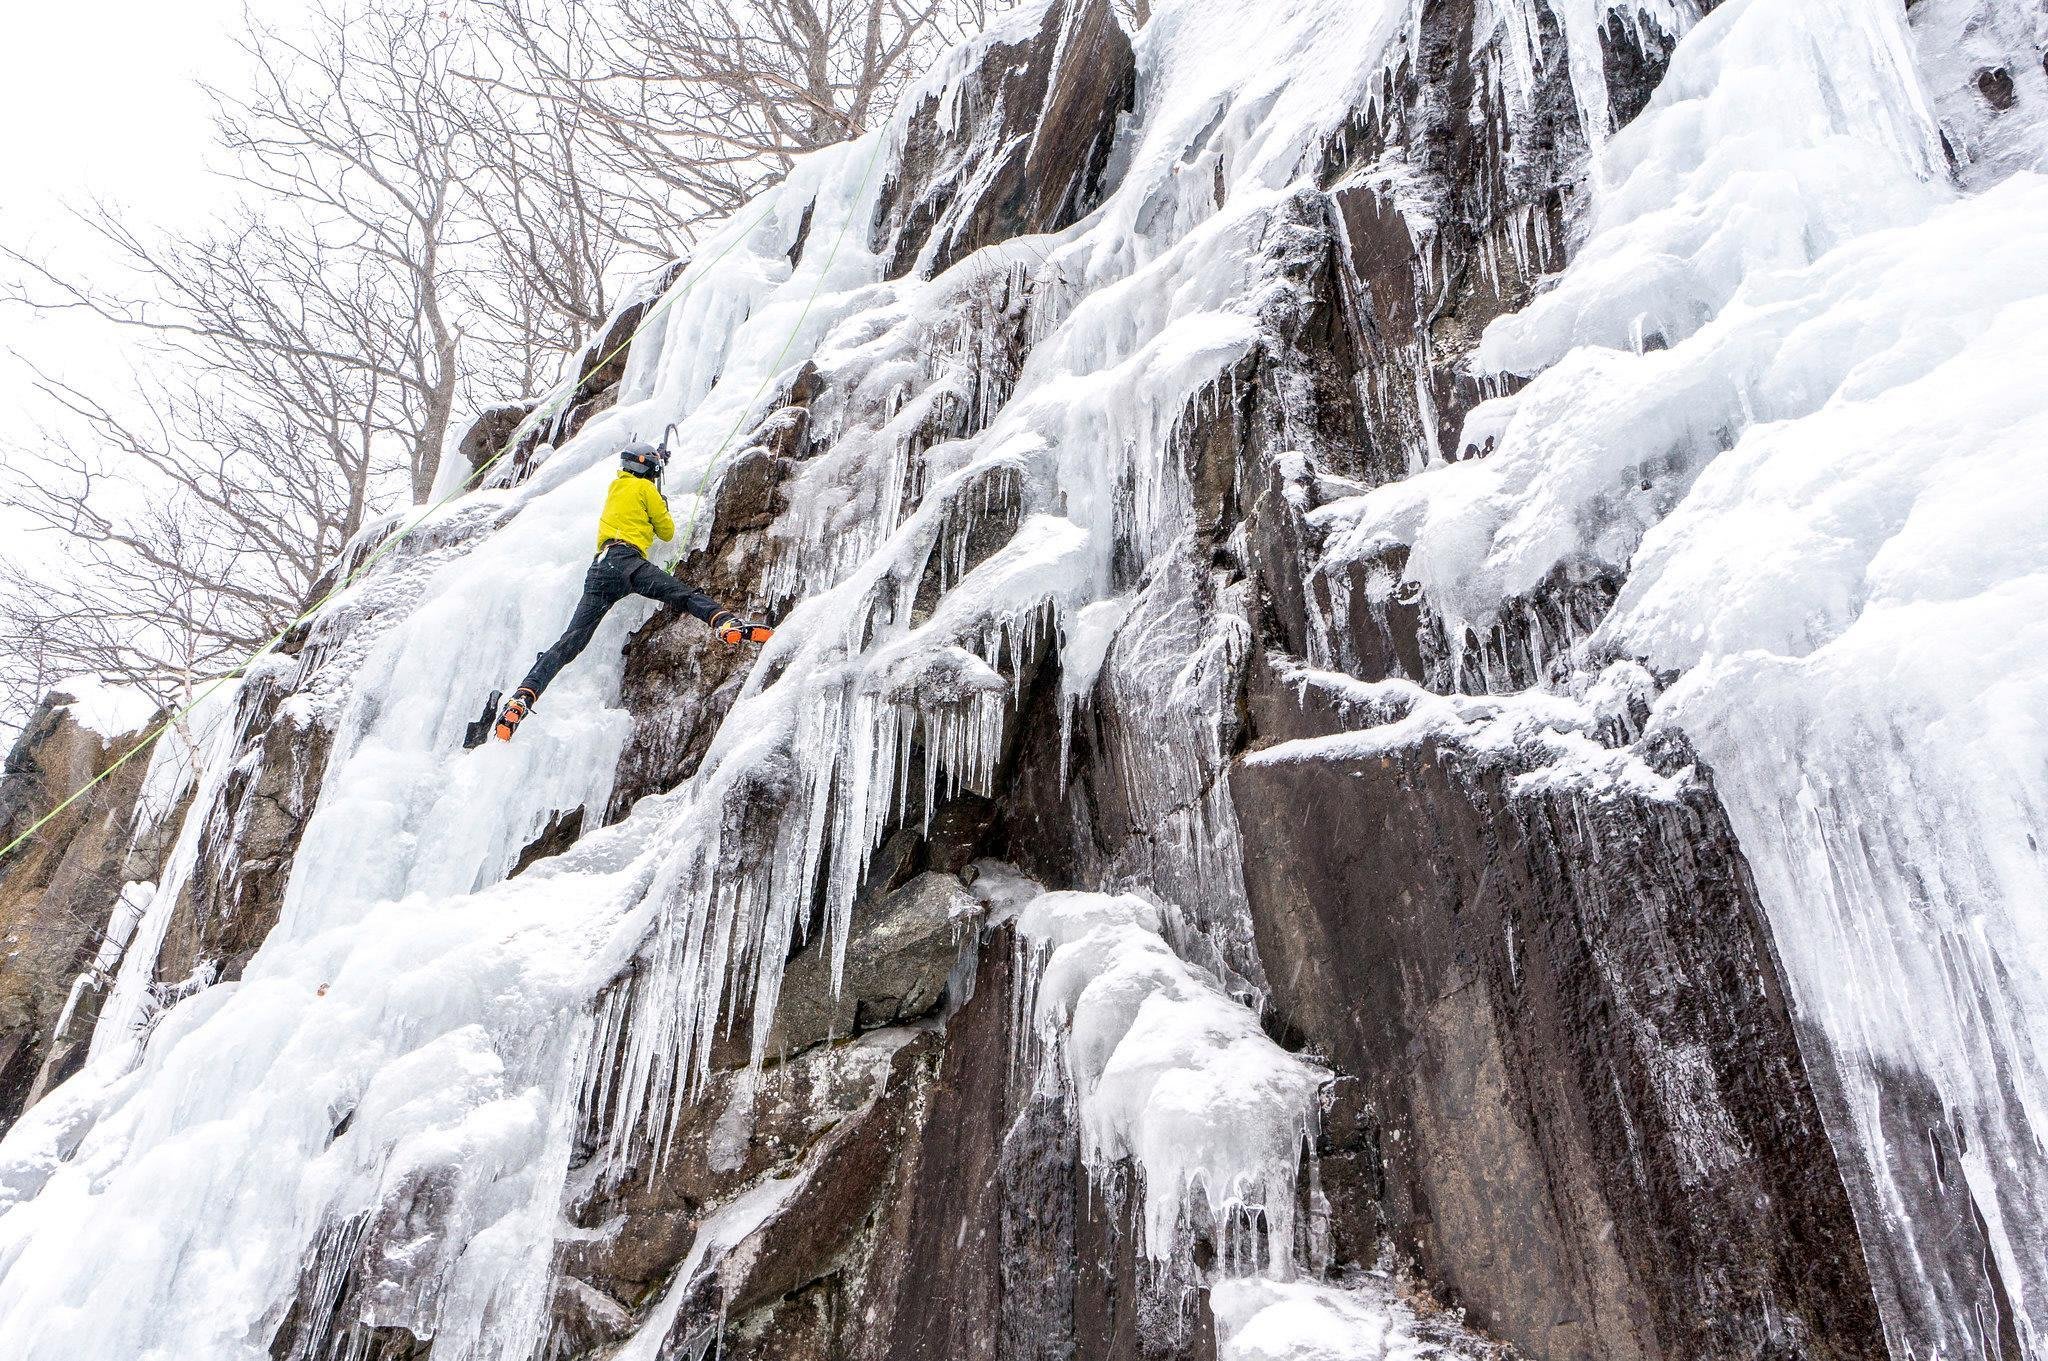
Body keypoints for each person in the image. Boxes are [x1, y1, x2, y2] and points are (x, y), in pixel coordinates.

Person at [495, 441, 771, 741]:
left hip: (600, 570)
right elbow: (666, 532)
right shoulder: (647, 490)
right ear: (649, 468)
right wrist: (661, 504)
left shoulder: (616, 487)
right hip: (628, 564)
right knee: (683, 595)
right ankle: (725, 622)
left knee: (569, 643)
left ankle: (523, 696)